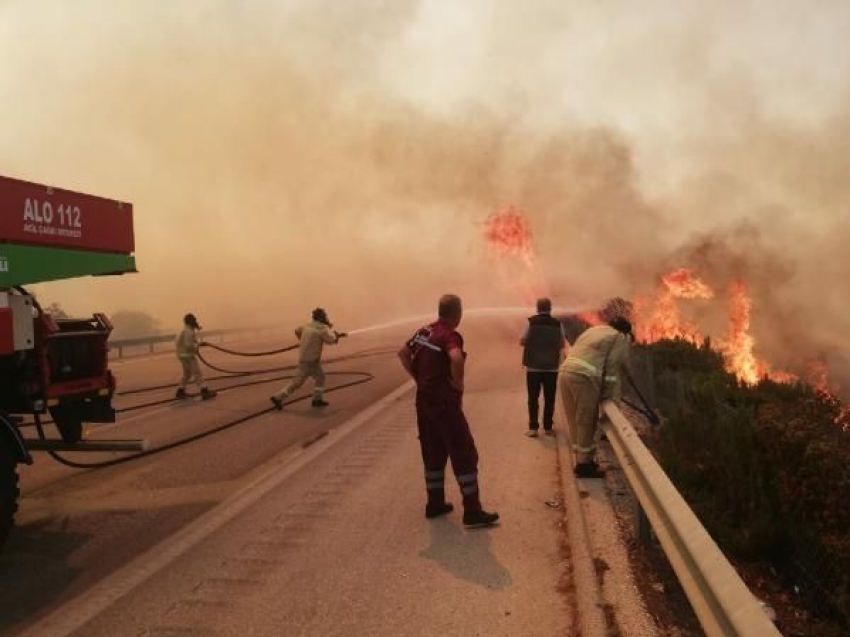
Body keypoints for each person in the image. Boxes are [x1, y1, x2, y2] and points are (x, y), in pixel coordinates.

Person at [398, 294, 499, 528]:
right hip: (444, 404)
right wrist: (458, 384)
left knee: (433, 451)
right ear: (458, 313)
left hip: (423, 401)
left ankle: (435, 503)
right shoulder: (449, 335)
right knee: (463, 452)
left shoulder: (424, 331)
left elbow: (402, 353)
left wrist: (417, 377)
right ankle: (472, 511)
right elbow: (456, 358)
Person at [558, 316, 634, 478]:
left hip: (565, 372)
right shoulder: (619, 337)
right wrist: (607, 395)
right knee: (587, 420)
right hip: (584, 378)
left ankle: (582, 459)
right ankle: (584, 466)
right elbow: (612, 367)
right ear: (625, 332)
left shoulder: (594, 330)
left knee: (574, 420)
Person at [270, 307, 345, 409]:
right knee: (316, 379)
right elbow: (330, 341)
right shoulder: (322, 329)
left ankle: (279, 397)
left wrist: (302, 340)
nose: (326, 317)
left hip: (303, 359)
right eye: (324, 316)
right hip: (312, 361)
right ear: (320, 317)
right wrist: (337, 337)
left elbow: (297, 331)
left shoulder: (306, 326)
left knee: (301, 381)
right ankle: (315, 400)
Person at [520, 297, 566, 437]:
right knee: (550, 398)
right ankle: (548, 428)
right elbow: (562, 344)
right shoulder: (558, 324)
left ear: (537, 308)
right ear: (550, 308)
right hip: (551, 368)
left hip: (533, 368)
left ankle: (533, 428)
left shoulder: (531, 323)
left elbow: (522, 341)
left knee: (533, 398)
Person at [175, 313, 217, 400]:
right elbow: (188, 345)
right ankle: (204, 391)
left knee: (187, 374)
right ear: (190, 321)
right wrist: (198, 344)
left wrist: (197, 344)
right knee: (198, 373)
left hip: (182, 355)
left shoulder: (185, 330)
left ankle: (180, 391)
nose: (195, 321)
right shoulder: (188, 332)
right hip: (188, 356)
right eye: (194, 320)